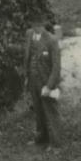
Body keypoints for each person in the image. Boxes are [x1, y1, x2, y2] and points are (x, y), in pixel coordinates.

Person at [24, 10, 62, 148]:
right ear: (31, 24)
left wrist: (49, 86)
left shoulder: (52, 40)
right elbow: (28, 57)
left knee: (51, 113)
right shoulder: (29, 34)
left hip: (45, 82)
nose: (37, 27)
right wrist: (27, 78)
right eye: (34, 24)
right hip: (33, 81)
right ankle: (41, 138)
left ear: (44, 24)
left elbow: (56, 67)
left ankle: (56, 143)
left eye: (40, 25)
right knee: (39, 112)